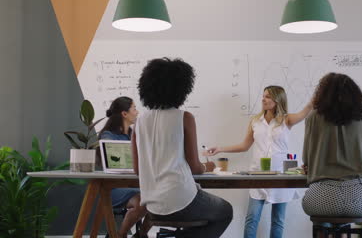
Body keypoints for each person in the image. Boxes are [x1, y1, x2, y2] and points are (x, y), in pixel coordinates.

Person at [131, 57, 233, 238]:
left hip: (152, 205)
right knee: (225, 211)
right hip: (181, 199)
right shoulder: (184, 117)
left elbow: (137, 169)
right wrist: (207, 167)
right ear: (182, 88)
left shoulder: (139, 122)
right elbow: (195, 167)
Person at [204, 85, 313, 238]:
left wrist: (314, 100)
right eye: (263, 95)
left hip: (282, 176)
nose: (263, 99)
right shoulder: (255, 121)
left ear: (277, 99)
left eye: (267, 96)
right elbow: (244, 146)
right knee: (252, 218)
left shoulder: (286, 119)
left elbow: (305, 112)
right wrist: (220, 149)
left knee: (278, 220)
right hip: (258, 175)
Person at [302, 73, 362, 221]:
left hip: (321, 198)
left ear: (322, 93)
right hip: (358, 199)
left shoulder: (313, 116)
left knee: (317, 210)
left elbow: (307, 159)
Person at [99, 96, 149, 238]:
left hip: (133, 185)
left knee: (157, 197)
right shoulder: (108, 136)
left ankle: (141, 233)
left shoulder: (134, 134)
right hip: (114, 188)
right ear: (124, 114)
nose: (137, 112)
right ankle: (120, 235)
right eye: (134, 108)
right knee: (143, 201)